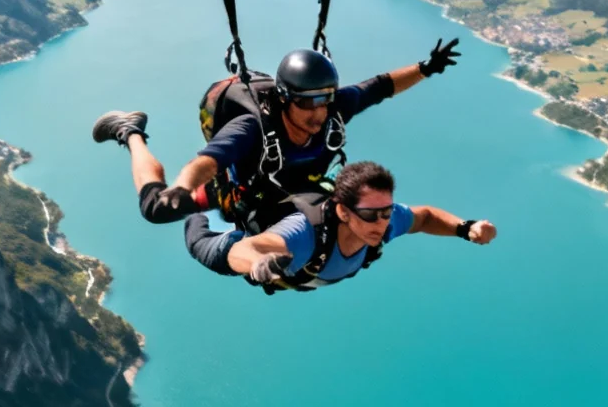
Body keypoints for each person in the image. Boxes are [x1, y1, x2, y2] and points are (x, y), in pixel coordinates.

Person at [91, 39, 461, 233]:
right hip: (238, 191)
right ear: (284, 99)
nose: (318, 114)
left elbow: (380, 87)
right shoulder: (253, 128)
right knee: (156, 210)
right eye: (308, 104)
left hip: (297, 192)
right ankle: (130, 131)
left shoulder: (333, 108)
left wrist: (426, 68)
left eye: (325, 102)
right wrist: (182, 188)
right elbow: (207, 162)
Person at [184, 160, 495, 291]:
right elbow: (247, 248)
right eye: (371, 214)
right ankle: (194, 196)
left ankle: (223, 189)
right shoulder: (306, 232)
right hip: (241, 243)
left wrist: (465, 228)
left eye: (386, 211)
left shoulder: (383, 221)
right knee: (198, 242)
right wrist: (257, 263)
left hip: (300, 271)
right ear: (343, 212)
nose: (382, 221)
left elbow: (424, 216)